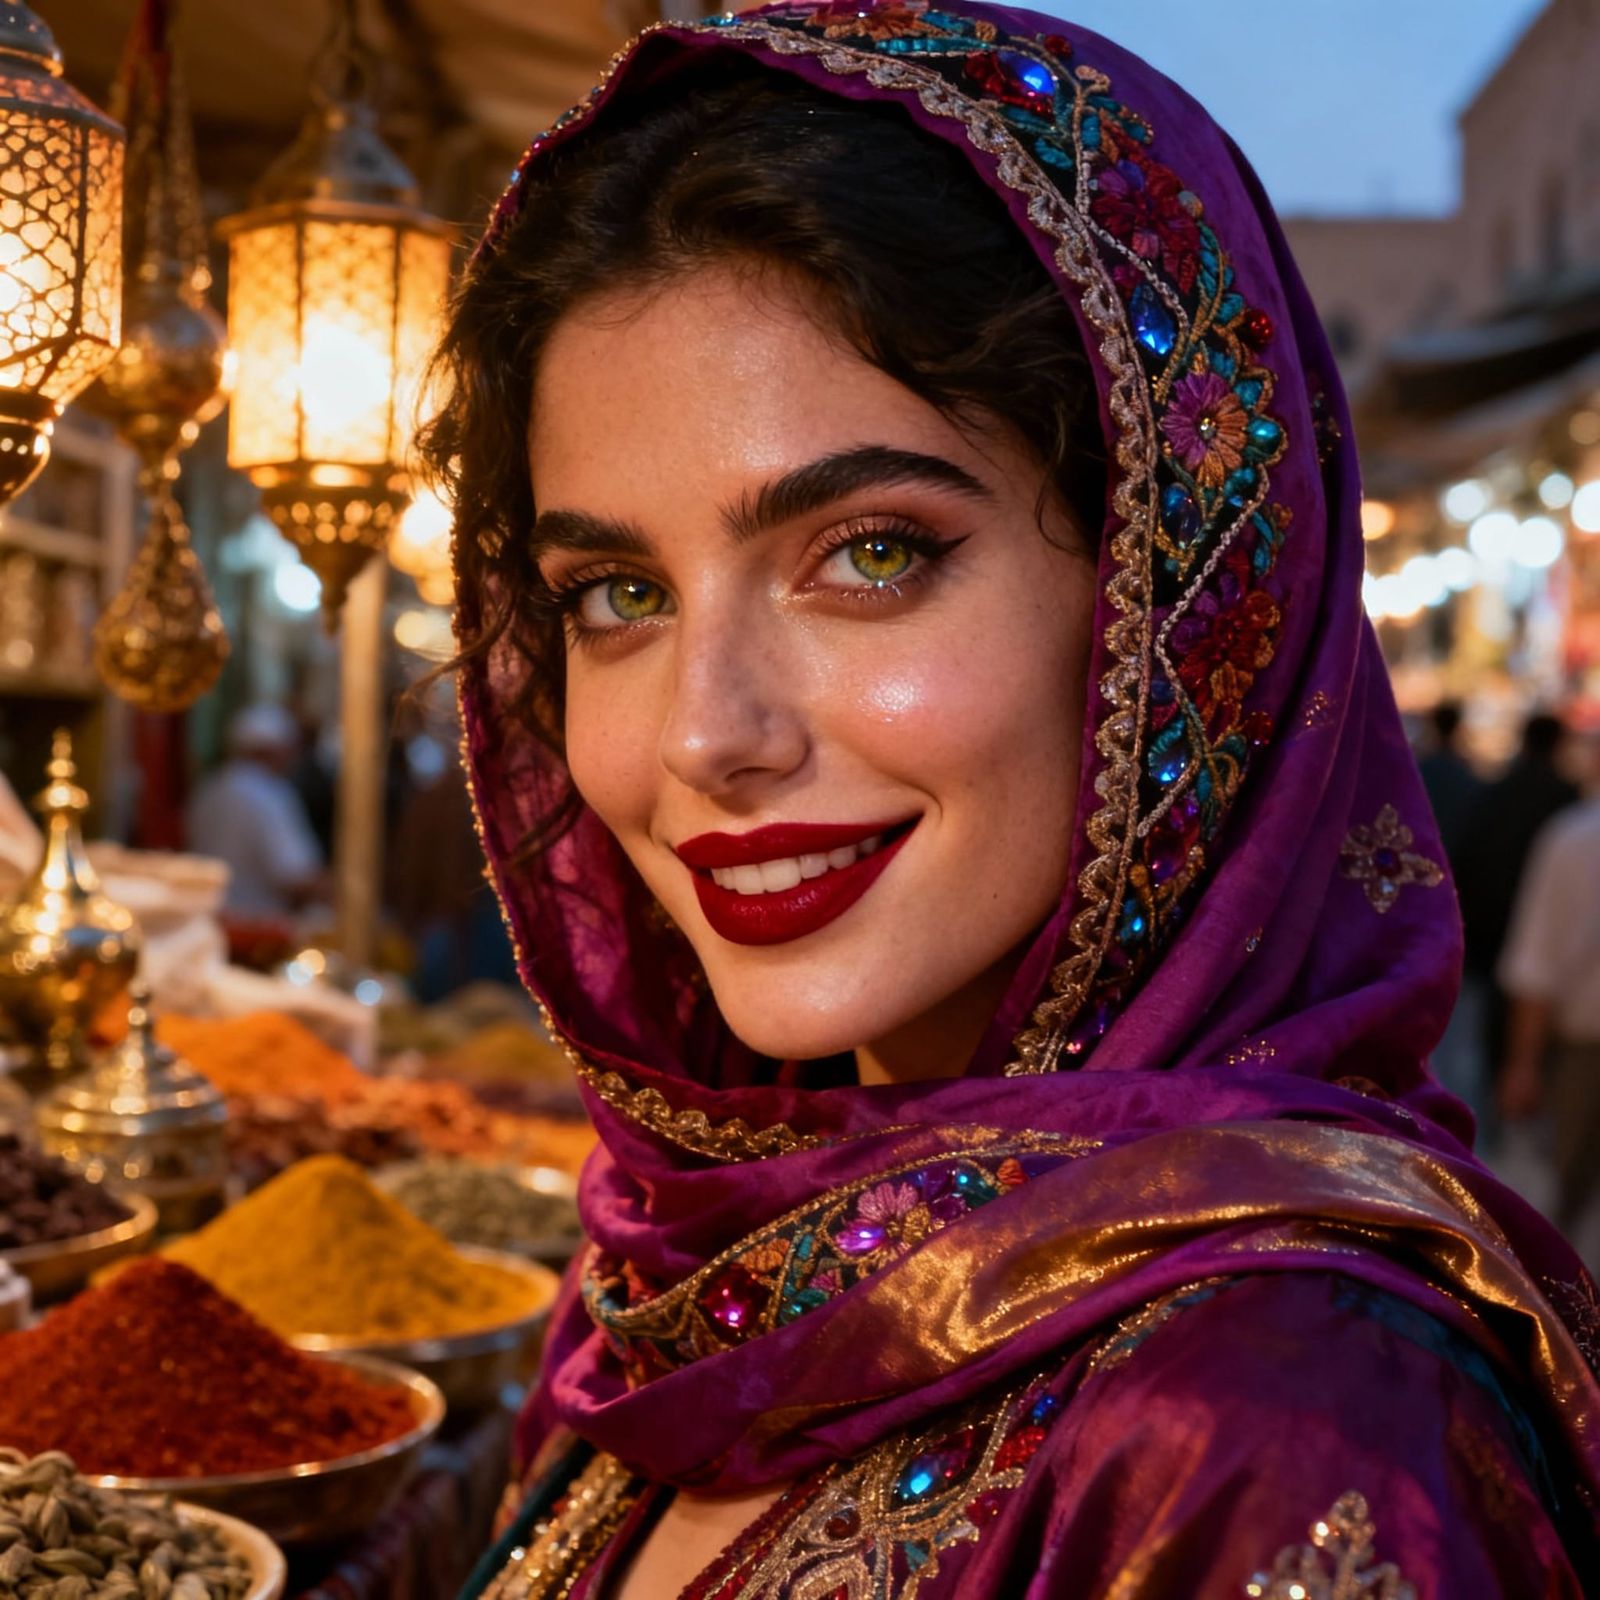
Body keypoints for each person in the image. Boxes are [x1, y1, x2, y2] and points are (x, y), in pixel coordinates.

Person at [424, 7, 1600, 1595]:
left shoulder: (1279, 1426)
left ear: (1178, 607)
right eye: (617, 592)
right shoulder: (674, 1288)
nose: (706, 736)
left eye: (873, 554)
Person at [1498, 794, 1600, 1238]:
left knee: (1565, 1200)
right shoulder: (1574, 836)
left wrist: (1522, 1064)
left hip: (1583, 1049)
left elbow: (1536, 965)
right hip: (1582, 1050)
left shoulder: (1575, 835)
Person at [186, 703, 327, 917]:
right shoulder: (269, 794)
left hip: (211, 919)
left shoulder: (210, 788)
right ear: (277, 750)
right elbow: (295, 876)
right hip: (260, 927)